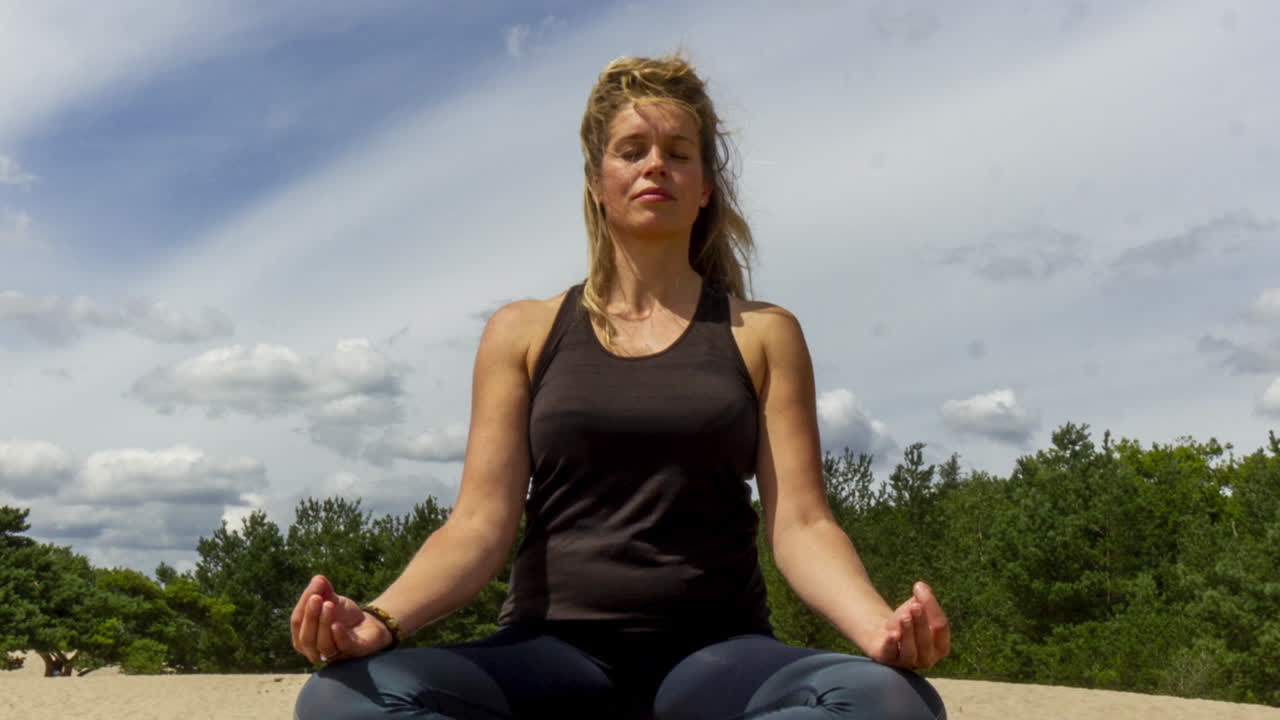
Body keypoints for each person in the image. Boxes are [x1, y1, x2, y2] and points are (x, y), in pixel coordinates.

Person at [291, 54, 949, 719]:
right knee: (339, 701)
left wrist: (876, 628)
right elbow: (478, 526)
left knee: (892, 701)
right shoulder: (522, 332)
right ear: (597, 181)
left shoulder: (763, 334)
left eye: (678, 153)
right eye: (632, 151)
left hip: (721, 659)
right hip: (548, 655)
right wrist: (378, 620)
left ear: (705, 187)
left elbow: (802, 523)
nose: (655, 165)